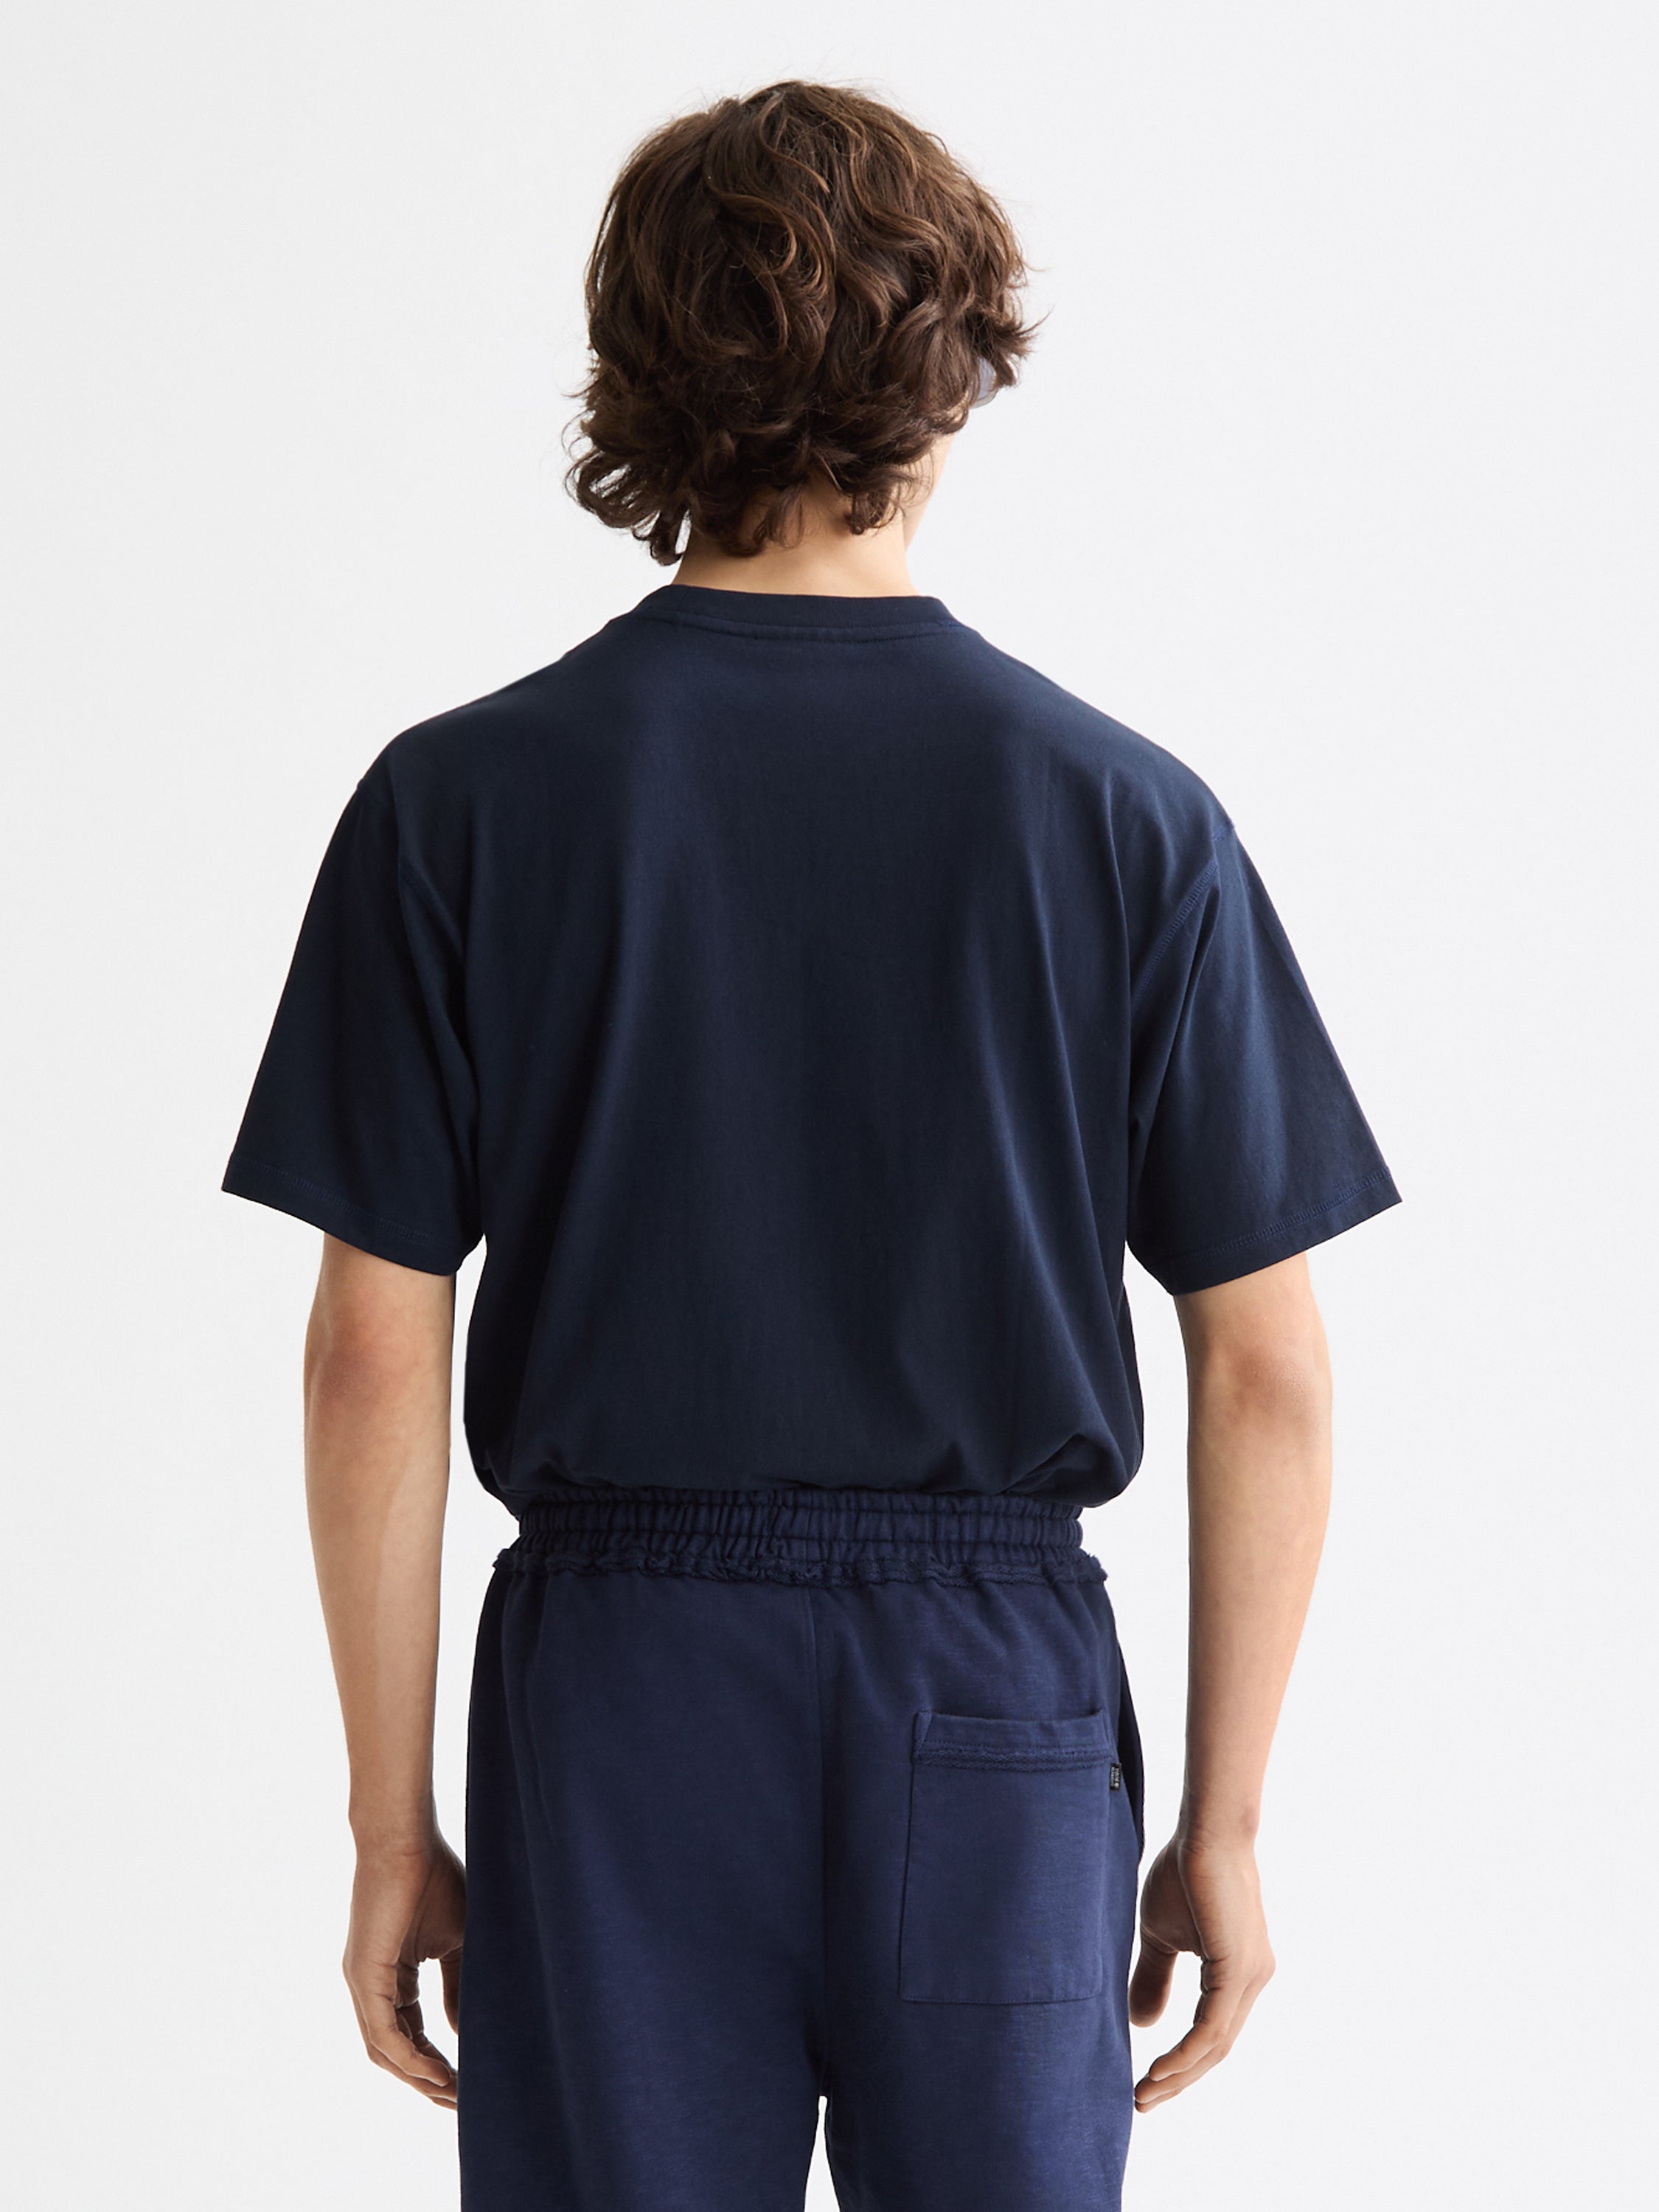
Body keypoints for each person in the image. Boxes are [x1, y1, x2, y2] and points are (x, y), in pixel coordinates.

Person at [224, 79, 1399, 2212]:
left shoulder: (457, 806)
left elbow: (371, 1352)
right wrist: (1221, 1823)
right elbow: (1267, 1365)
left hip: (623, 1693)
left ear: (637, 381)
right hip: (994, 1693)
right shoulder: (1123, 816)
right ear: (954, 379)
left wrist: (392, 1827)